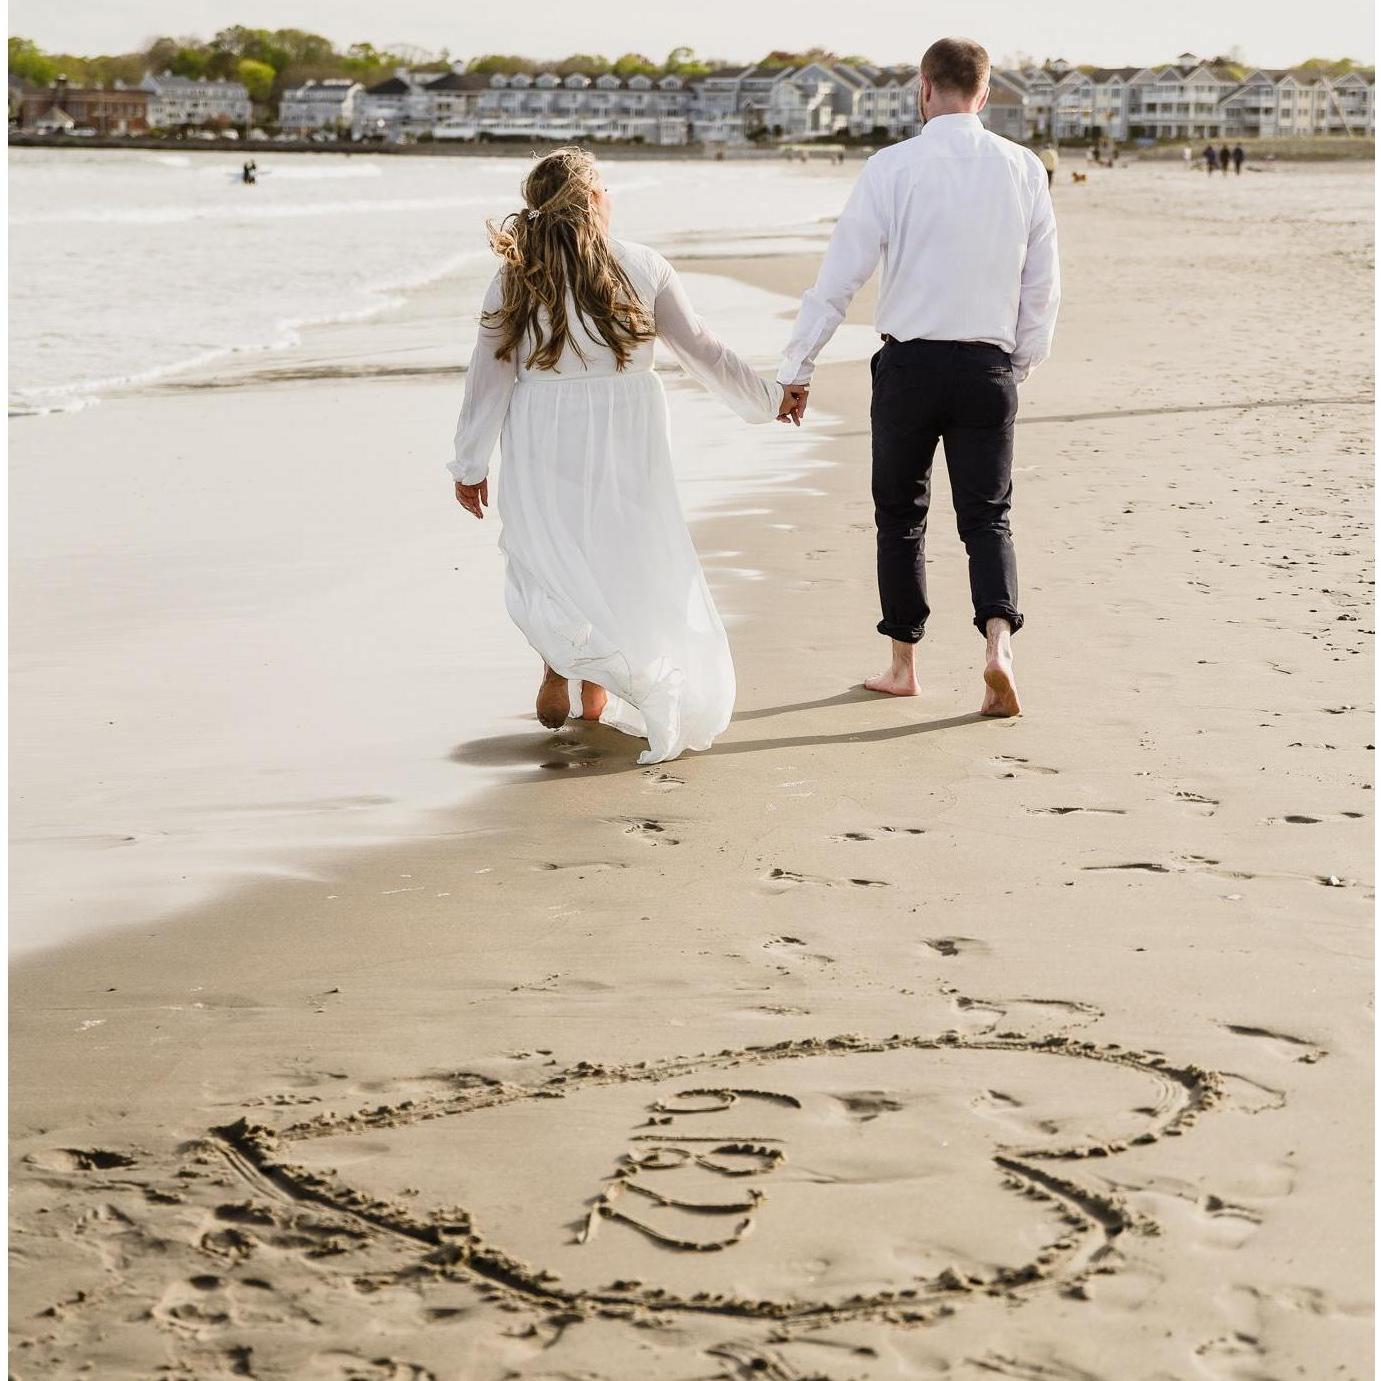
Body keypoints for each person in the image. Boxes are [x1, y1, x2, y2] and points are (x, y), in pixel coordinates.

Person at [447, 148, 781, 764]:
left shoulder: (514, 276)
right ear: (593, 200)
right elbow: (701, 349)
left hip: (544, 425)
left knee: (553, 548)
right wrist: (767, 399)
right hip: (627, 429)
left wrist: (470, 465)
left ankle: (557, 665)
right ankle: (596, 683)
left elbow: (487, 375)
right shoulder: (644, 265)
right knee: (616, 549)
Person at [775, 36, 1060, 717]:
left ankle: (903, 665)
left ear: (923, 89)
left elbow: (839, 275)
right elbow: (1042, 284)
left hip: (908, 366)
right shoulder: (1022, 169)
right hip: (985, 365)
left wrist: (797, 367)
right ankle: (998, 644)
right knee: (987, 517)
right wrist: (1015, 362)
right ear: (983, 94)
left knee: (900, 517)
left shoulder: (892, 166)